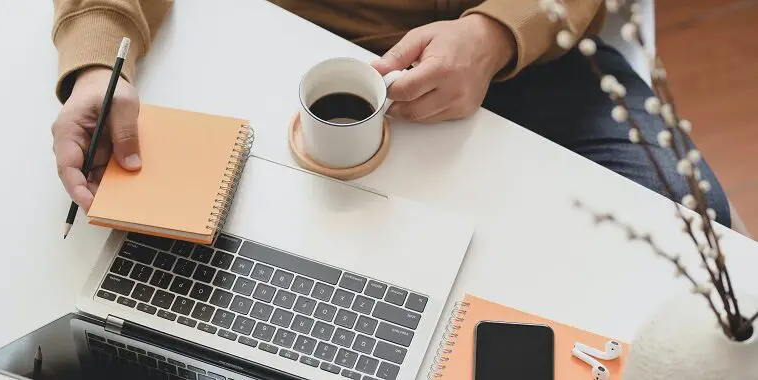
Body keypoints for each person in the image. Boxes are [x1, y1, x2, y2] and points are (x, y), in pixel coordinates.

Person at [50, 0, 748, 235]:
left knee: (691, 227)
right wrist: (94, 64)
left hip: (527, 52)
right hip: (293, 53)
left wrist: (495, 33)